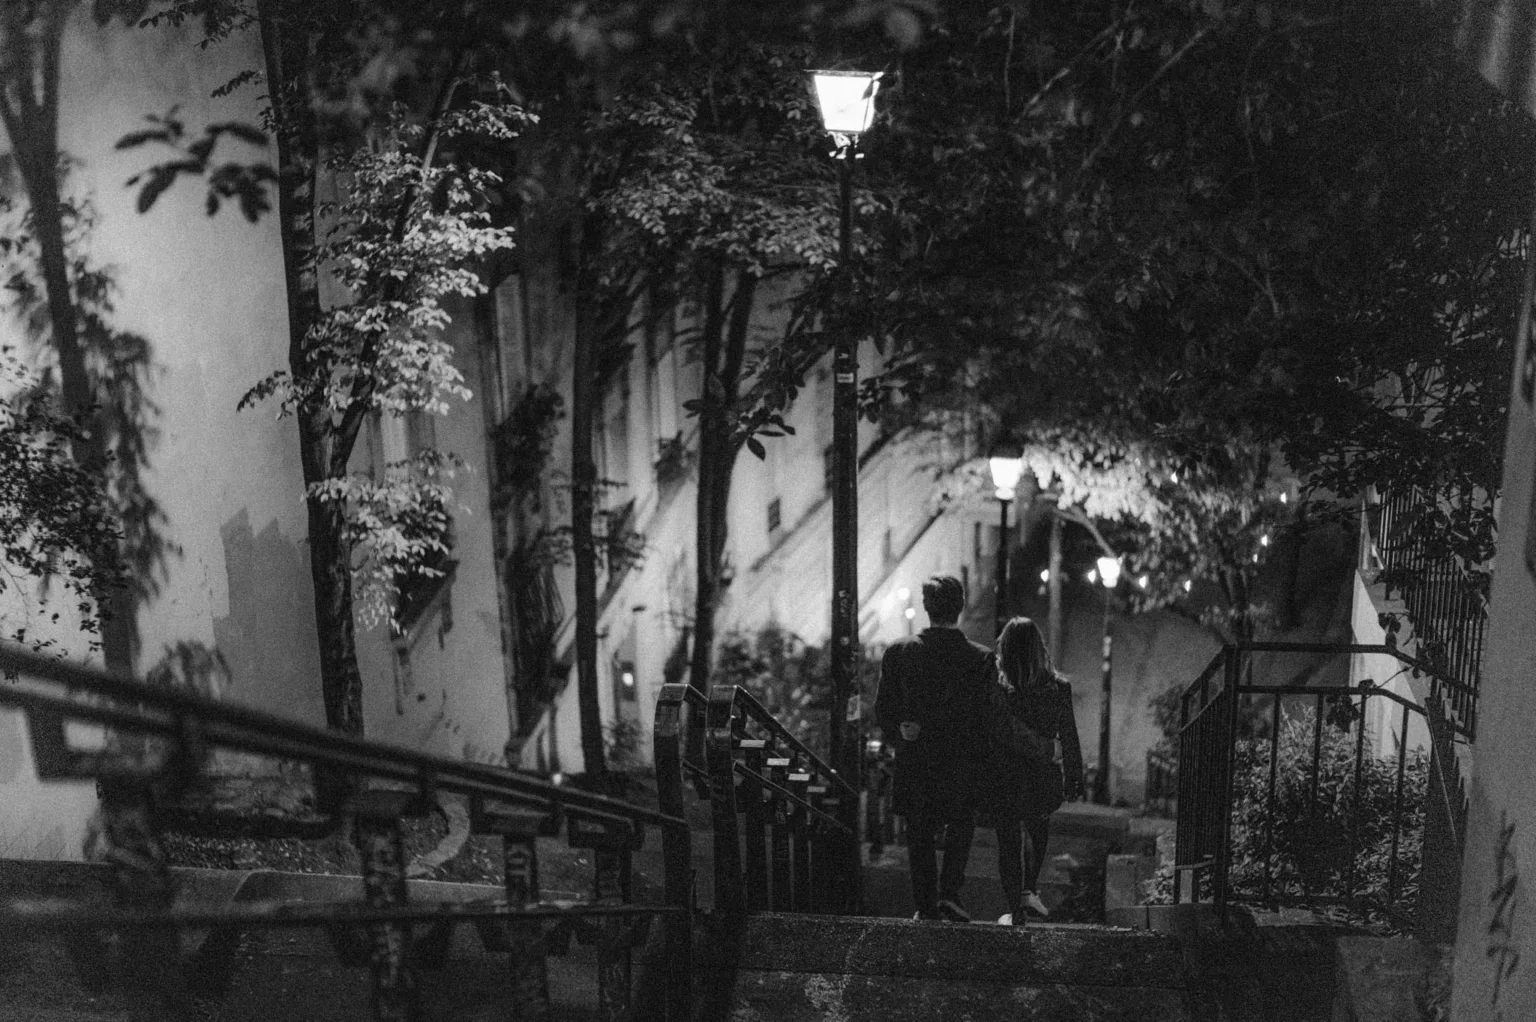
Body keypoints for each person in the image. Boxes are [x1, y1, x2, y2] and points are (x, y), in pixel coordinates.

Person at [874, 574, 996, 922]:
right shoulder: (981, 659)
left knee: (920, 832)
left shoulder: (900, 652)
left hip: (917, 760)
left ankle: (926, 903)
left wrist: (902, 730)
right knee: (961, 824)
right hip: (962, 760)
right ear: (960, 608)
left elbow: (884, 709)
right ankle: (951, 893)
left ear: (926, 608)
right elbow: (987, 718)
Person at [976, 616, 1085, 925]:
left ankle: (1015, 908)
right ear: (1039, 648)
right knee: (1038, 829)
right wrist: (1075, 777)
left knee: (1009, 841)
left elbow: (993, 732)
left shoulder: (1001, 690)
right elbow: (1069, 733)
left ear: (1005, 650)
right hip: (1043, 774)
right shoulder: (1058, 688)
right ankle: (1030, 889)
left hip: (1005, 775)